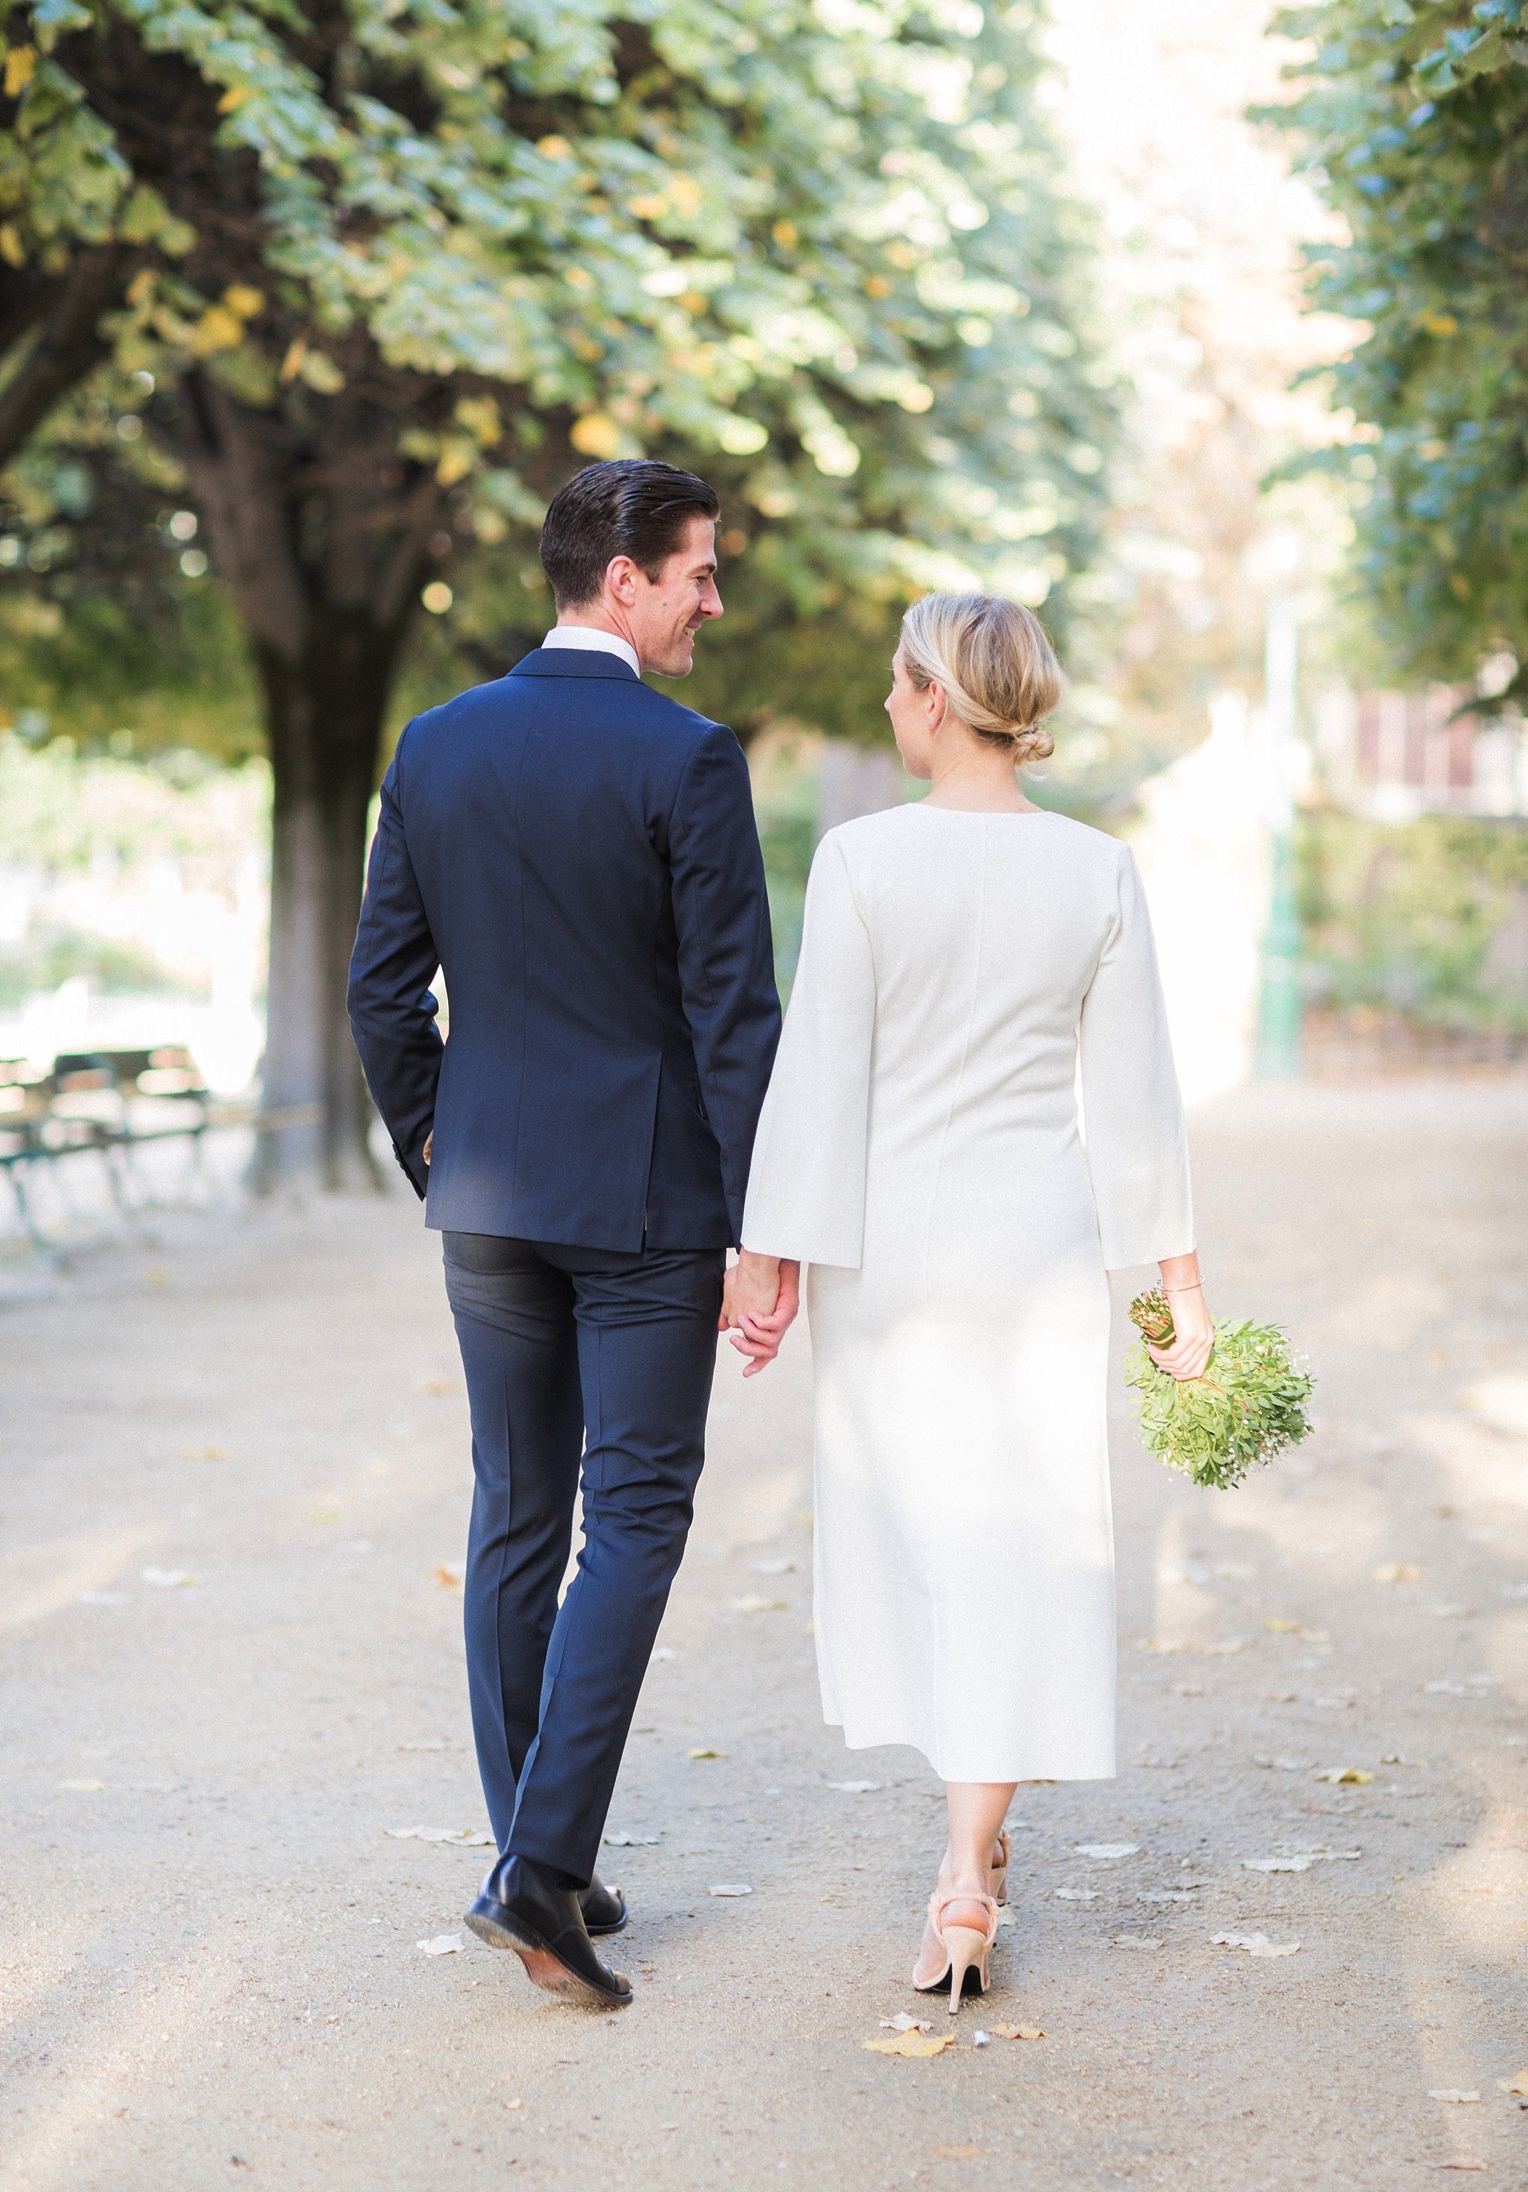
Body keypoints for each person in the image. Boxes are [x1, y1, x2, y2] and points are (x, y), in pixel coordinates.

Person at [730, 593, 1212, 2014]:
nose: (885, 700)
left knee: (922, 1538)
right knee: (1020, 1537)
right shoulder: (1098, 869)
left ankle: (965, 1857)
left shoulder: (863, 859)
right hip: (1038, 1253)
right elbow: (1137, 1106)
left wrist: (767, 1261)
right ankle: (968, 1865)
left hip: (890, 1255)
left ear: (940, 698)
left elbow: (819, 1081)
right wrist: (1177, 1289)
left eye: (896, 678)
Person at [348, 461, 783, 2008]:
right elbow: (735, 1018)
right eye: (697, 574)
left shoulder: (437, 746)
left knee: (516, 1522)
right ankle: (539, 1876)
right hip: (650, 1204)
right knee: (638, 1521)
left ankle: (544, 1855)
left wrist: (440, 1149)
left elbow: (380, 994)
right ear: (622, 579)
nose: (711, 600)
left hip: (490, 1201)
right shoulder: (688, 759)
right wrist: (764, 1224)